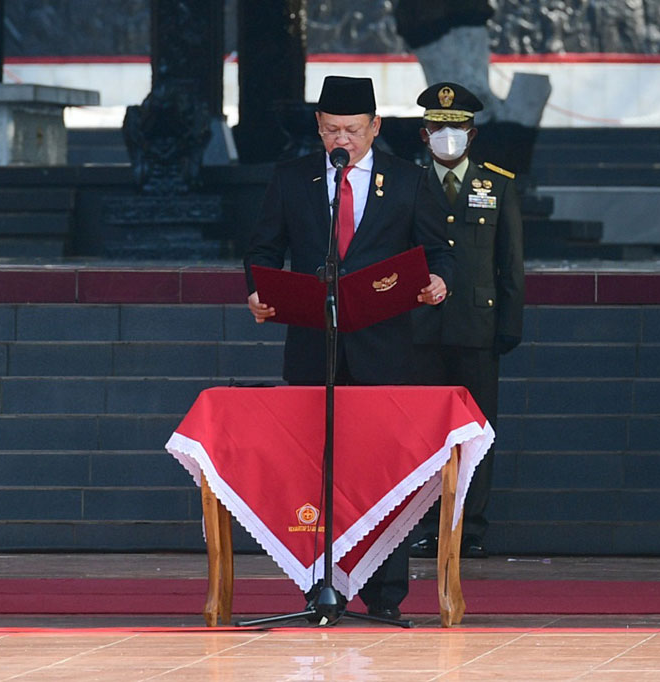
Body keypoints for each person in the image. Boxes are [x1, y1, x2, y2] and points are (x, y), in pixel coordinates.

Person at [244, 75, 452, 620]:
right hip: (315, 350)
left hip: (385, 353)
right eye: (333, 130)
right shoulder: (294, 179)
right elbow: (264, 249)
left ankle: (385, 596)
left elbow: (438, 251)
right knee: (315, 472)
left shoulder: (407, 181)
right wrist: (258, 293)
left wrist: (439, 282)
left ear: (375, 127)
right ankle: (319, 588)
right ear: (318, 128)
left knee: (385, 472)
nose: (343, 140)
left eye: (354, 131)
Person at [407, 82, 525, 559]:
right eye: (438, 127)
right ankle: (427, 524)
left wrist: (510, 324)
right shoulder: (407, 183)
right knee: (425, 433)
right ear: (424, 134)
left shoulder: (496, 184)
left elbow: (510, 262)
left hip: (478, 327)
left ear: (472, 135)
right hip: (419, 327)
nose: (447, 135)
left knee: (476, 430)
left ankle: (470, 527)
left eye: (456, 128)